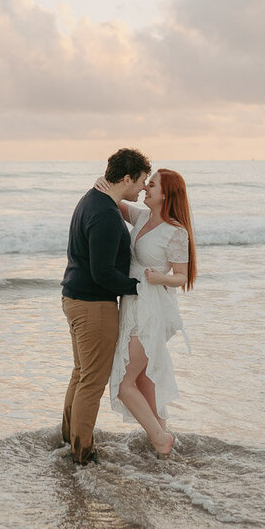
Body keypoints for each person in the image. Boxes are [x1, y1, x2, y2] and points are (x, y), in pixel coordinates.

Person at [60, 147, 151, 465]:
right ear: (127, 178)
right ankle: (82, 453)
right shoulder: (104, 214)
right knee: (93, 380)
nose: (143, 187)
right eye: (141, 181)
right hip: (92, 306)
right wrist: (140, 287)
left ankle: (69, 440)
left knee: (81, 373)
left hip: (76, 298)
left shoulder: (94, 199)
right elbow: (103, 275)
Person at [98, 168, 196, 458]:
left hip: (152, 307)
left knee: (123, 382)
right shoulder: (141, 217)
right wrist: (102, 183)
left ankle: (159, 439)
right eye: (146, 182)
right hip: (132, 301)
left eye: (152, 185)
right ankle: (164, 436)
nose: (145, 188)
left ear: (166, 194)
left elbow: (182, 276)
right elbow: (115, 201)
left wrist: (160, 278)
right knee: (142, 378)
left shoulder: (176, 231)